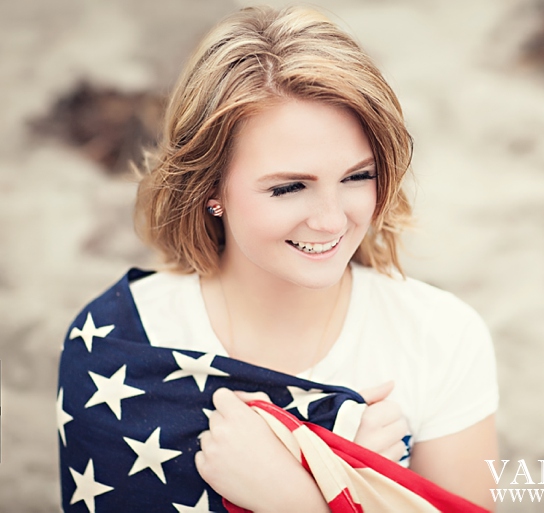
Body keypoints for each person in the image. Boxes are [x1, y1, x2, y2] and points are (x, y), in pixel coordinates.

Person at [58, 5, 498, 512]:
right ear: (209, 188)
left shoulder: (442, 338)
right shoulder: (119, 343)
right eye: (289, 187)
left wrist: (301, 497)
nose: (332, 221)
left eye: (358, 176)